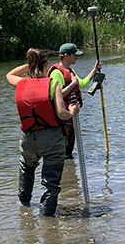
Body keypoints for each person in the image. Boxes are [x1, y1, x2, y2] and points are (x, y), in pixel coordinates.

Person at [6, 48, 80, 216]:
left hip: (29, 137)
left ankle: (24, 207)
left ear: (31, 64)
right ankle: (47, 218)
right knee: (51, 183)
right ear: (47, 64)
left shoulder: (21, 83)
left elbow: (9, 74)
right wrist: (73, 112)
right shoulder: (52, 83)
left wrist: (29, 65)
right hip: (52, 138)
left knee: (26, 167)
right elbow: (61, 113)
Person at [48, 43, 101, 159]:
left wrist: (94, 70)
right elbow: (58, 95)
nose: (76, 57)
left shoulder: (70, 71)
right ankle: (65, 166)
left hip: (71, 113)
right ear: (66, 55)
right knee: (65, 145)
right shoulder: (56, 73)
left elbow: (82, 84)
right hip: (62, 115)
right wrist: (72, 84)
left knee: (70, 143)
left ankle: (70, 170)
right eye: (74, 55)